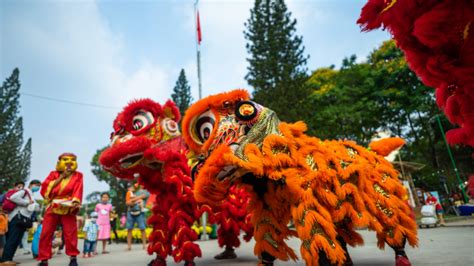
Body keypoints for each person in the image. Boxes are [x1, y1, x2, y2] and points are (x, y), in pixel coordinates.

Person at [37, 153, 83, 266]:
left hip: (68, 207)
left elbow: (78, 189)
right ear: (59, 161)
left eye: (72, 160)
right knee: (46, 233)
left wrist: (76, 202)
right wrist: (62, 176)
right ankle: (44, 259)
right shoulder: (53, 174)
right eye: (65, 159)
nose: (69, 162)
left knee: (70, 233)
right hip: (53, 206)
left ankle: (73, 258)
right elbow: (46, 187)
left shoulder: (78, 175)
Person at [0, 180, 41, 264]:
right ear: (31, 185)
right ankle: (5, 259)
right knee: (12, 239)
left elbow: (35, 208)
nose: (37, 187)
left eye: (39, 186)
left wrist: (35, 206)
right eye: (36, 185)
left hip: (23, 219)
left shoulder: (31, 195)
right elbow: (13, 197)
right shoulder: (24, 191)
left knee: (17, 240)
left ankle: (9, 258)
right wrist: (27, 202)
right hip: (16, 218)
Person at [125, 184, 149, 251]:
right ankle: (129, 246)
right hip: (130, 212)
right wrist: (139, 197)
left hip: (139, 212)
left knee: (142, 228)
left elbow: (144, 196)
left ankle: (144, 245)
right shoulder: (130, 193)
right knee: (129, 229)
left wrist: (133, 200)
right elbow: (127, 203)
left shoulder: (146, 192)